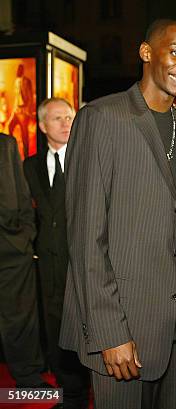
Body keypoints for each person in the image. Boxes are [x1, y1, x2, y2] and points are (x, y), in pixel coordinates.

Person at [58, 19, 176, 409]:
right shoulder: (103, 118)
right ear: (146, 53)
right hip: (121, 325)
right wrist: (108, 333)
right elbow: (85, 238)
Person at [23, 98, 90, 409]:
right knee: (56, 335)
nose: (66, 123)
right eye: (58, 118)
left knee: (84, 335)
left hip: (82, 267)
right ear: (41, 126)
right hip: (46, 271)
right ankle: (69, 398)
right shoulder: (29, 165)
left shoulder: (87, 161)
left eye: (69, 117)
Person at [0, 132, 47, 388]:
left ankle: (29, 382)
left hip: (12, 248)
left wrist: (25, 235)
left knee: (20, 316)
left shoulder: (5, 144)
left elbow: (20, 192)